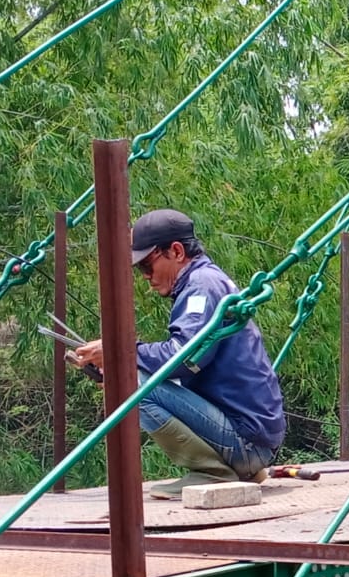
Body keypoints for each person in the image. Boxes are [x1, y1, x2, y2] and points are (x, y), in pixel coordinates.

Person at [69, 209, 286, 499]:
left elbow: (184, 357)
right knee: (127, 374)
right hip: (252, 439)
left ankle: (215, 473)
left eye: (147, 264)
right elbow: (188, 363)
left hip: (247, 443)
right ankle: (232, 468)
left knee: (129, 381)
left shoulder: (201, 287)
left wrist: (120, 354)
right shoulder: (206, 280)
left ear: (176, 251)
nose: (146, 276)